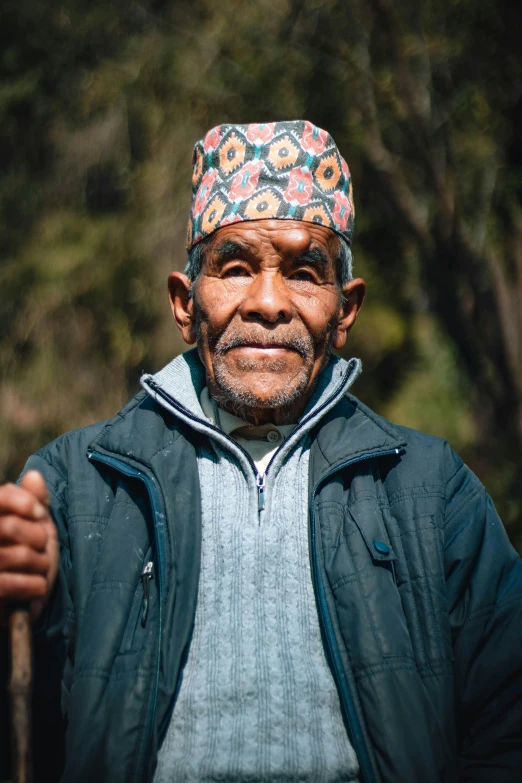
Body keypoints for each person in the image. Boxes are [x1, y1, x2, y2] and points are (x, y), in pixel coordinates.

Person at [0, 120, 521, 783]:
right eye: (237, 266)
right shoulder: (76, 487)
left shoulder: (430, 489)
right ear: (186, 304)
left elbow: (506, 727)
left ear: (344, 308)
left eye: (305, 272)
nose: (269, 303)